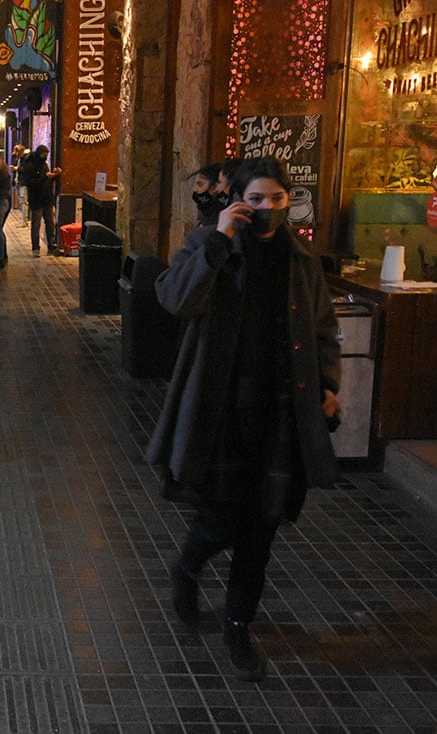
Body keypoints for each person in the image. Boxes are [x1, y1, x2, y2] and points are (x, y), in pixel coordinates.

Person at [146, 156, 341, 682]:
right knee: (220, 518)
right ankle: (188, 568)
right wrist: (218, 240)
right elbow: (173, 299)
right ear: (237, 200)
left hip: (281, 410)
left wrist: (327, 384)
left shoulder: (300, 260)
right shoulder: (211, 244)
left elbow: (322, 329)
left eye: (277, 200)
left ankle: (238, 627)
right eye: (256, 200)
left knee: (262, 528)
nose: (267, 210)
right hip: (222, 408)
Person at [19, 145, 63, 257]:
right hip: (36, 198)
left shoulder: (44, 164)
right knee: (36, 224)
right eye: (45, 155)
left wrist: (55, 176)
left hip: (47, 198)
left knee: (50, 223)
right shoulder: (30, 164)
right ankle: (35, 248)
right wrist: (45, 177)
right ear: (40, 154)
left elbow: (47, 181)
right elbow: (31, 182)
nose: (46, 157)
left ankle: (51, 246)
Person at [190, 162, 224, 227]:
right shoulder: (206, 215)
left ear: (214, 187)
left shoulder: (219, 219)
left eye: (200, 184)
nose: (195, 190)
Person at [11, 144, 30, 227]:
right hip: (18, 182)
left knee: (23, 201)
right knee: (20, 201)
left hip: (23, 183)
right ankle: (23, 219)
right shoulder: (17, 160)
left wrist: (17, 168)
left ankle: (24, 220)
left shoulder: (26, 159)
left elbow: (26, 169)